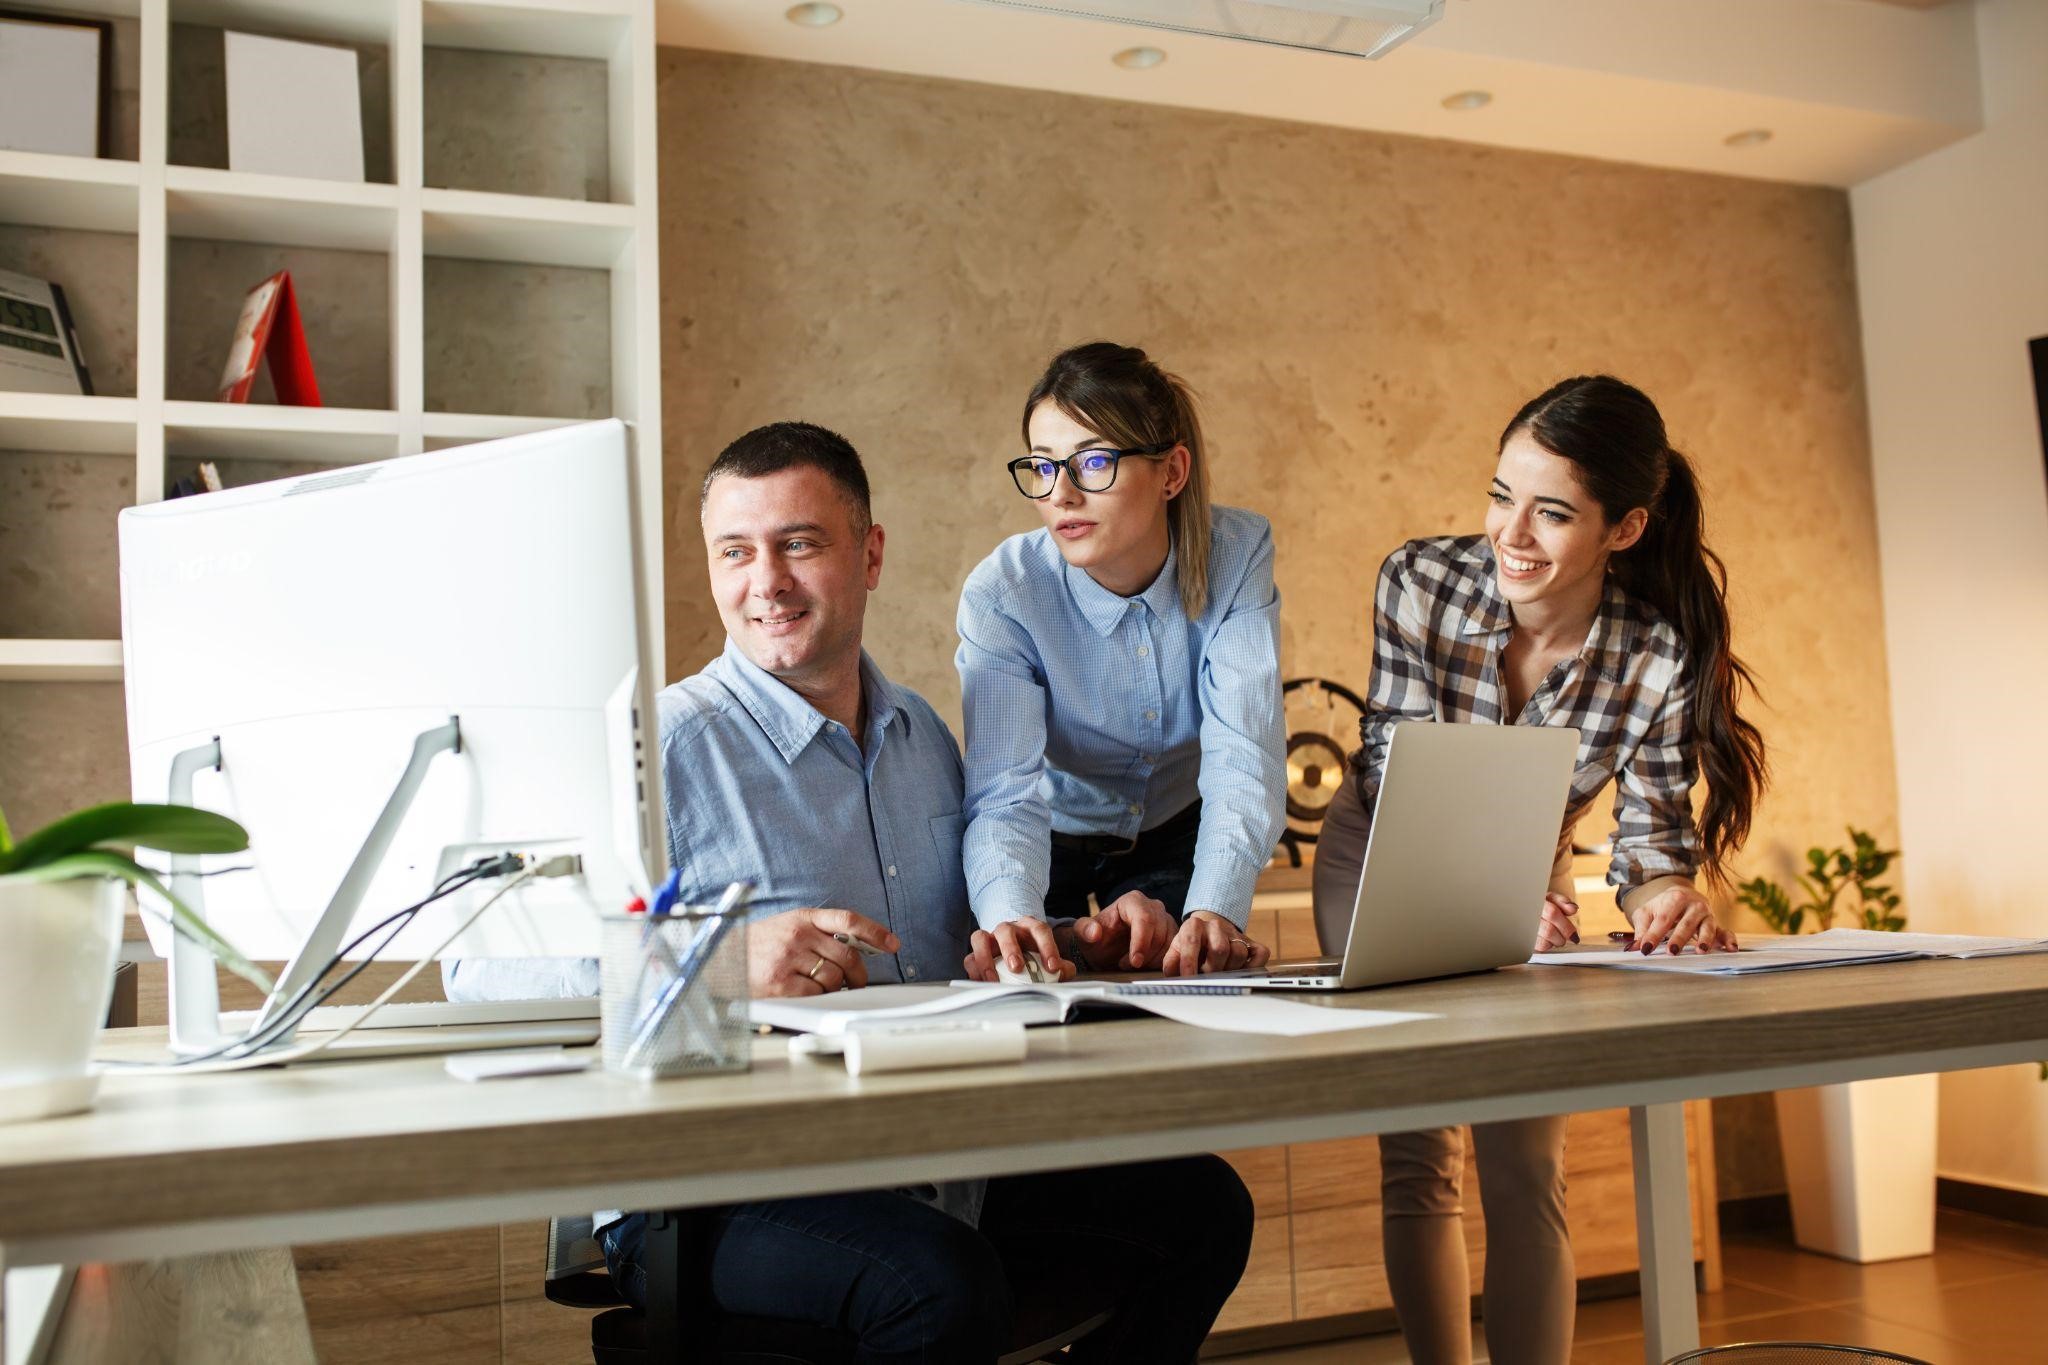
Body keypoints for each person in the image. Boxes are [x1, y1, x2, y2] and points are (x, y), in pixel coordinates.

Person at [451, 420, 1254, 1364]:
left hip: (922, 1160)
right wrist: (720, 962)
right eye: (736, 552)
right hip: (713, 1187)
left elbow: (946, 947)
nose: (767, 582)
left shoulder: (924, 737)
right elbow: (478, 966)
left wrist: (1068, 946)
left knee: (1202, 1207)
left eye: (798, 543)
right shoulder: (654, 747)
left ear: (869, 554)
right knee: (939, 1286)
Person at [1311, 375, 1768, 1365]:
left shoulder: (1654, 652)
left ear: (1624, 527)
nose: (1509, 535)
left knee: (1525, 1162)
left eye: (1551, 512)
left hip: (1531, 864)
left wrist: (1668, 900)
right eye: (1499, 495)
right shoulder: (1420, 580)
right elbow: (1393, 759)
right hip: (1381, 848)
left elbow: (1648, 843)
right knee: (1421, 1148)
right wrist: (1498, 889)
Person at [956, 342, 1287, 982]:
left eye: (1096, 461)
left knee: (1183, 981)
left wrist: (1217, 908)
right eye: (1044, 467)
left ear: (1172, 472)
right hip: (1043, 841)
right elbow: (1003, 792)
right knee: (1034, 985)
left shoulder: (1237, 553)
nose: (1063, 494)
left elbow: (1244, 750)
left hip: (1174, 832)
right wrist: (1011, 917)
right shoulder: (1003, 592)